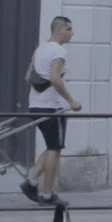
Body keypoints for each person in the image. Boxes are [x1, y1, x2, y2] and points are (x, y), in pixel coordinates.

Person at [22, 17, 81, 206]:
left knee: (50, 146)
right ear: (59, 30)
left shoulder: (41, 48)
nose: (72, 33)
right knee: (55, 150)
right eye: (69, 29)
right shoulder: (59, 51)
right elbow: (55, 79)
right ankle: (47, 195)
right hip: (52, 109)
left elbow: (27, 77)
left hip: (35, 105)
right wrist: (72, 100)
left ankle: (31, 181)